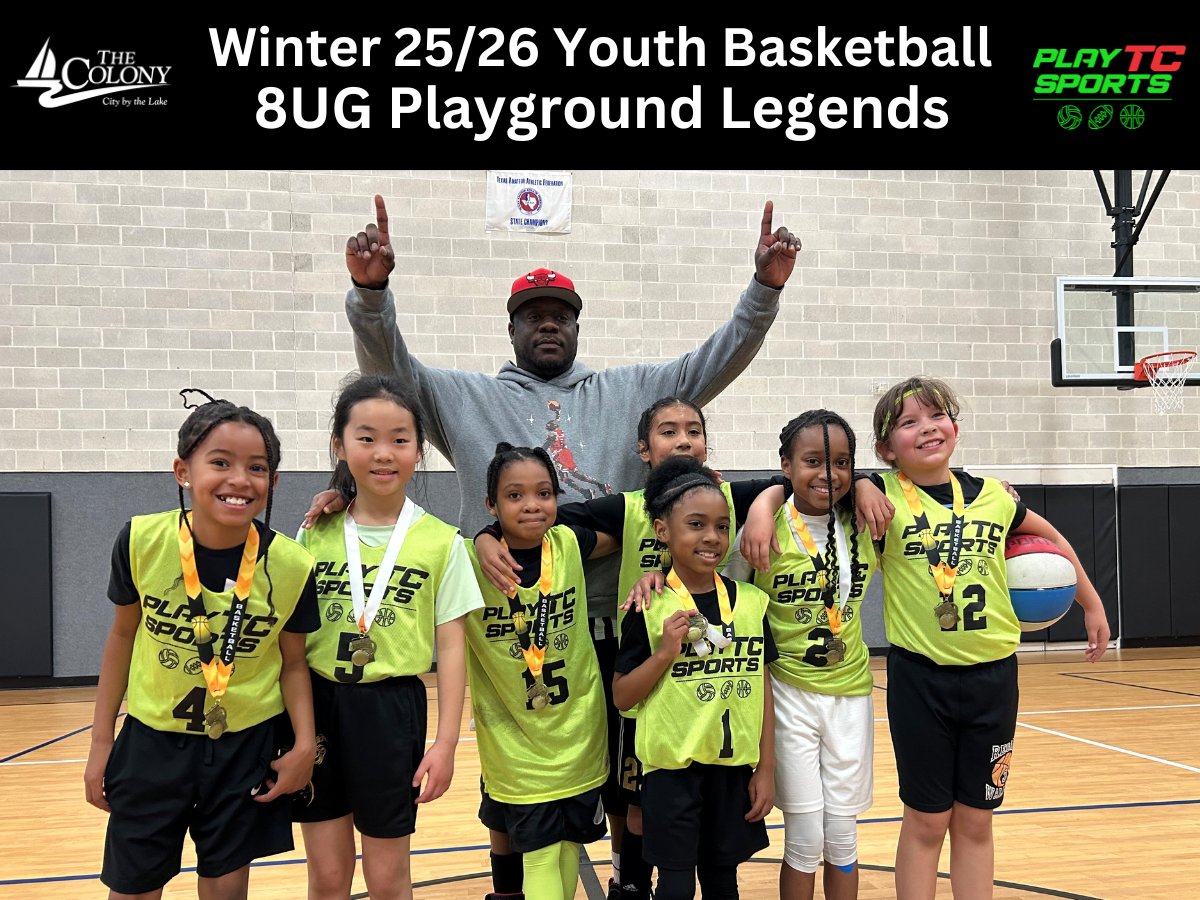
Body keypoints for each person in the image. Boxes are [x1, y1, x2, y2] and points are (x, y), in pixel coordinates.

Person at [309, 192, 803, 887]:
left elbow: (712, 364)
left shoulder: (631, 389)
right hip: (512, 626)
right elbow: (393, 370)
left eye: (561, 316)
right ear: (512, 327)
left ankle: (628, 881)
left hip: (620, 617)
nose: (548, 325)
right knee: (512, 773)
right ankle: (511, 887)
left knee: (627, 777)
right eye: (534, 316)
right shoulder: (465, 397)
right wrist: (370, 295)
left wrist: (763, 291)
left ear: (576, 326)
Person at [471, 396, 796, 900]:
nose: (683, 440)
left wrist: (761, 508)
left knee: (715, 867)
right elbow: (540, 519)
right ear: (644, 449)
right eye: (669, 431)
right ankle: (628, 883)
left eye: (693, 430)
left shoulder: (731, 501)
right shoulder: (627, 508)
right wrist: (486, 535)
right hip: (650, 680)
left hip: (724, 713)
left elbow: (800, 479)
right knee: (632, 804)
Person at [867, 377, 1111, 900]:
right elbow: (813, 483)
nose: (927, 428)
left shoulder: (995, 496)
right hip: (920, 680)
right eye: (908, 422)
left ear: (955, 428)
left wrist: (1090, 602)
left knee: (976, 820)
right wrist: (864, 483)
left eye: (937, 416)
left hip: (993, 680)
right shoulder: (881, 498)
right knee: (926, 820)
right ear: (886, 449)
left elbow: (1051, 538)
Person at [84, 391, 320, 900]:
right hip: (151, 742)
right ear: (183, 472)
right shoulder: (140, 540)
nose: (240, 479)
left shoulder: (292, 565)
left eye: (257, 467)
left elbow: (293, 663)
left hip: (245, 744)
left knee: (227, 887)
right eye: (220, 462)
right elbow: (122, 636)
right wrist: (102, 742)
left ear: (273, 481)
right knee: (132, 888)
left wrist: (304, 744)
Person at [293, 375, 483, 900]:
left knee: (387, 877)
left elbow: (452, 648)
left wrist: (446, 743)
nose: (383, 453)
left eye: (400, 439)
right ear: (339, 445)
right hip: (317, 705)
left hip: (391, 712)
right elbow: (290, 635)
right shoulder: (314, 529)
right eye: (366, 437)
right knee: (327, 876)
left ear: (419, 451)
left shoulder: (442, 542)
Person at [723, 411, 880, 900]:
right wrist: (765, 502)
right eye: (812, 461)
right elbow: (721, 596)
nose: (828, 473)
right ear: (786, 465)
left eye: (842, 463)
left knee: (843, 835)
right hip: (786, 693)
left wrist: (870, 482)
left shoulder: (867, 519)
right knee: (806, 836)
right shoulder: (761, 529)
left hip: (851, 695)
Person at [613, 457, 776, 900]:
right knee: (676, 886)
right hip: (670, 775)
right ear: (663, 530)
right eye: (696, 524)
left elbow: (762, 687)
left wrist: (766, 767)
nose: (712, 537)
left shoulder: (752, 602)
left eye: (722, 526)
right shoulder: (648, 606)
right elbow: (623, 697)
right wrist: (664, 654)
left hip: (732, 772)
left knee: (723, 883)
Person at [465, 443, 620, 900]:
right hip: (515, 745)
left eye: (544, 493)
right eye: (515, 495)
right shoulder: (468, 561)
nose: (532, 504)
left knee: (570, 846)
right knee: (538, 853)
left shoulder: (569, 543)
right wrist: (483, 537)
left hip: (578, 734)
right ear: (490, 504)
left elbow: (630, 527)